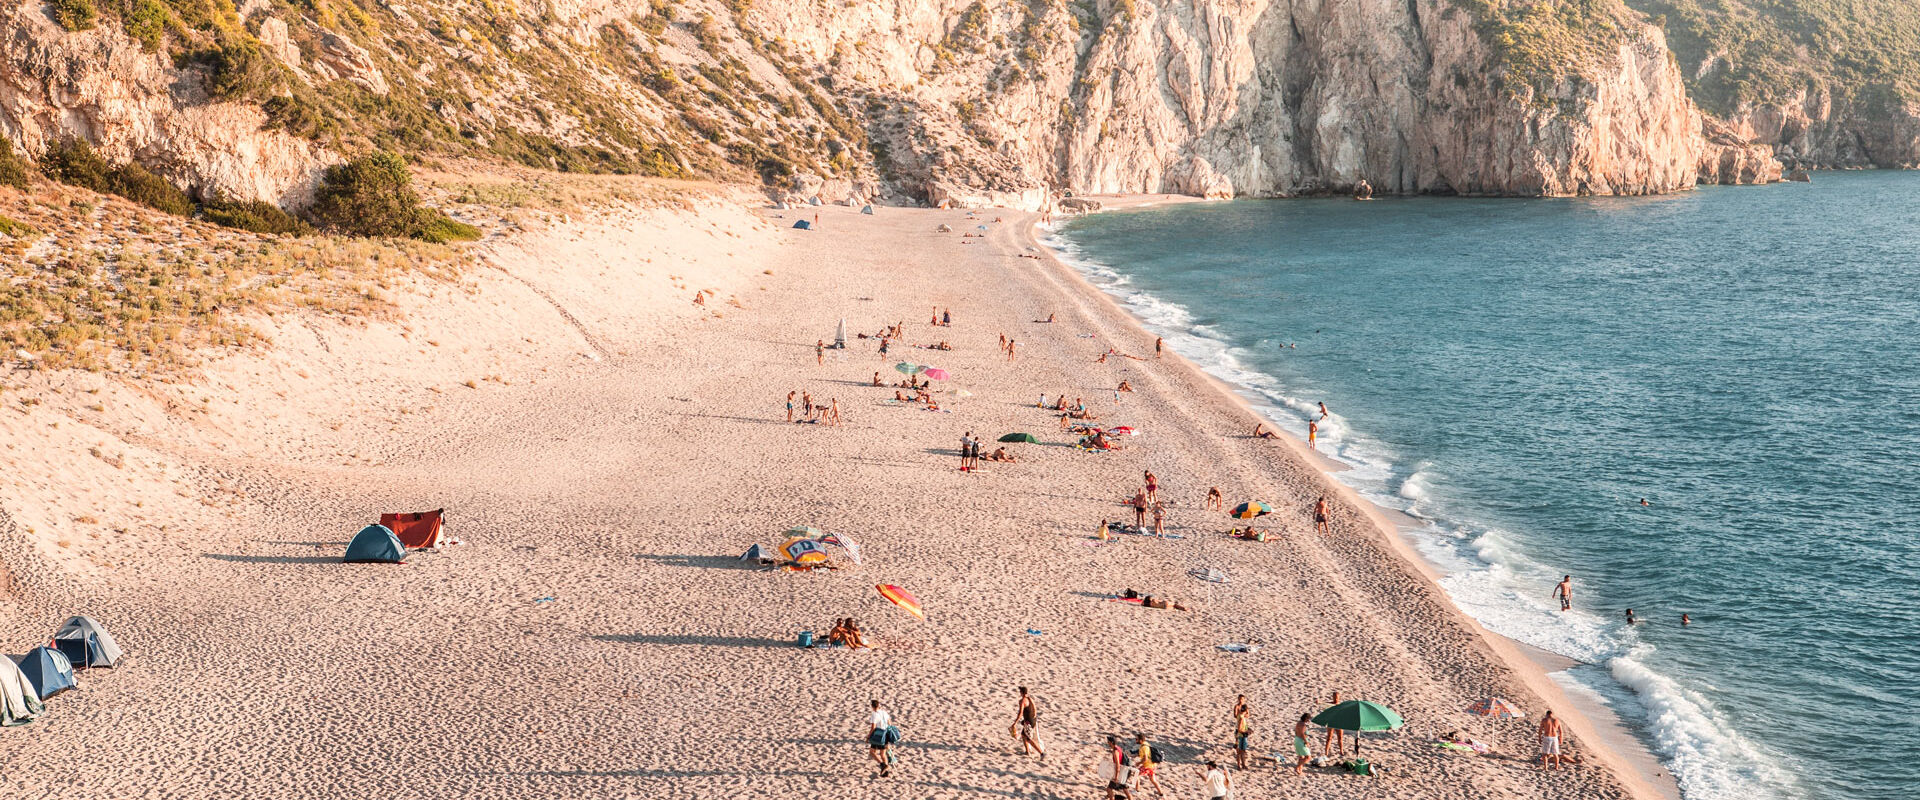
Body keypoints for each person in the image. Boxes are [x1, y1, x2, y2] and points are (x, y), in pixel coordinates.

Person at [1014, 687, 1045, 759]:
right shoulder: (1030, 699)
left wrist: (1015, 722)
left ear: (1021, 693)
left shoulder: (1022, 701)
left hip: (1029, 722)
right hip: (1033, 720)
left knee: (1028, 738)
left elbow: (1020, 713)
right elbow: (1034, 710)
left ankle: (1041, 753)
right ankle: (1027, 751)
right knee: (1023, 735)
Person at [868, 699, 894, 776]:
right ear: (879, 705)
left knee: (872, 752)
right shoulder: (884, 712)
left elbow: (873, 727)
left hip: (878, 735)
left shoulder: (874, 714)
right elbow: (889, 723)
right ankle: (885, 773)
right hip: (885, 734)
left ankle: (883, 765)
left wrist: (869, 736)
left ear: (872, 706)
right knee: (883, 754)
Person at [1135, 733, 1164, 797]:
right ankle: (1161, 793)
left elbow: (1145, 758)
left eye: (1136, 739)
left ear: (1141, 740)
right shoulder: (1146, 744)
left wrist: (1138, 763)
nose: (1135, 740)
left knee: (1136, 775)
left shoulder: (1144, 747)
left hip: (1147, 766)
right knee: (1153, 780)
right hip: (1152, 765)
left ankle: (1137, 791)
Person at [1105, 734, 1133, 800]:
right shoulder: (1118, 748)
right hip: (1124, 772)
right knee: (1125, 789)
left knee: (1109, 789)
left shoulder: (1115, 752)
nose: (1108, 743)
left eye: (1108, 742)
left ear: (1111, 742)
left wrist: (1116, 777)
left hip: (1120, 773)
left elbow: (1118, 765)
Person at [1231, 696, 1253, 769]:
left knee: (1242, 751)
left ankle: (1243, 764)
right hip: (1240, 732)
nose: (1241, 700)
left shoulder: (1243, 709)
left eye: (1242, 699)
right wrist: (1247, 731)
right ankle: (1239, 765)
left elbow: (1247, 715)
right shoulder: (1237, 707)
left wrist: (1243, 714)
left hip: (1242, 730)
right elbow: (1236, 716)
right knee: (1240, 751)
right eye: (1240, 699)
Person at [1323, 690, 1345, 755]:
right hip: (1331, 722)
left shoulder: (1341, 705)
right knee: (1329, 737)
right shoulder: (1330, 704)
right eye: (1334, 697)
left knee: (1340, 737)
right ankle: (1326, 751)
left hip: (1339, 723)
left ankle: (1341, 750)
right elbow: (1323, 704)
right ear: (1332, 697)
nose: (1335, 698)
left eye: (1337, 697)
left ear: (1339, 697)